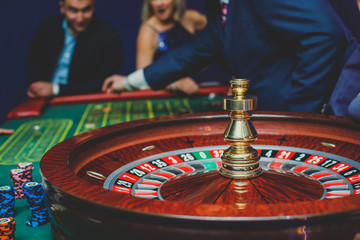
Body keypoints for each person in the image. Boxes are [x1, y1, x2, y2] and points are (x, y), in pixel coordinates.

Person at [103, 0, 356, 113]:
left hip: (314, 113)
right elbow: (193, 52)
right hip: (267, 113)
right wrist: (129, 82)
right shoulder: (219, 5)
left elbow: (326, 35)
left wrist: (297, 108)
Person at [105, 0, 207, 95]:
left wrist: (207, 58)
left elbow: (215, 37)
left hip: (198, 90)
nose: (159, 4)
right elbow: (144, 76)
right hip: (167, 97)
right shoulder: (148, 30)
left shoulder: (189, 17)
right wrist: (175, 84)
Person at [26, 0, 123, 98]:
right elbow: (33, 61)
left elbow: (103, 83)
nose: (80, 19)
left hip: (82, 100)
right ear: (62, 7)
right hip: (42, 99)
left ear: (94, 6)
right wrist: (37, 87)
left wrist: (55, 89)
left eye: (86, 10)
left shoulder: (109, 35)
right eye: (73, 10)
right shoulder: (47, 25)